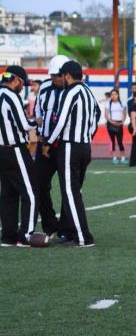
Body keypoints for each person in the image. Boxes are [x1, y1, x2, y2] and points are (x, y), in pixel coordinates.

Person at [44, 60, 101, 247]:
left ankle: (83, 237)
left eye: (63, 76)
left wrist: (48, 142)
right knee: (74, 191)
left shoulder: (70, 92)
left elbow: (61, 121)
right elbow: (96, 116)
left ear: (68, 76)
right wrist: (88, 136)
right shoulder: (88, 92)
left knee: (70, 192)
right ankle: (69, 232)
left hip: (70, 146)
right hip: (85, 146)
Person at [0, 65, 39, 247]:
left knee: (8, 194)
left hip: (1, 151)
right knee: (30, 193)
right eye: (22, 83)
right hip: (14, 149)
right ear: (15, 80)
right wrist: (37, 122)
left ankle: (8, 236)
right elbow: (24, 125)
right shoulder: (11, 96)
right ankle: (25, 235)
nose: (22, 87)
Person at [34, 54, 70, 241]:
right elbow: (38, 111)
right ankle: (50, 225)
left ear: (67, 74)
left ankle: (65, 228)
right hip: (45, 144)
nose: (55, 78)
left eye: (58, 75)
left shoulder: (76, 90)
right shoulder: (44, 88)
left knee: (68, 187)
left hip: (65, 145)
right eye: (53, 75)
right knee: (38, 183)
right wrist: (39, 133)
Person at [105, 89, 127, 164]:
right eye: (112, 94)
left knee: (120, 141)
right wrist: (112, 122)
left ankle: (123, 157)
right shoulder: (108, 104)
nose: (113, 96)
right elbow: (106, 115)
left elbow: (124, 114)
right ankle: (114, 157)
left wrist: (122, 121)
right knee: (112, 141)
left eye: (115, 94)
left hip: (119, 124)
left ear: (118, 95)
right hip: (111, 124)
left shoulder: (122, 103)